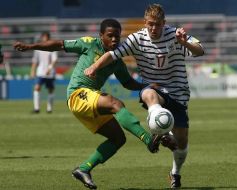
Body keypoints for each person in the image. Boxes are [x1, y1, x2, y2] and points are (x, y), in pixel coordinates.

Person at [14, 19, 160, 189]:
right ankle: (148, 139)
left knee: (118, 139)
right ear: (101, 36)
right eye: (110, 36)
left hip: (89, 101)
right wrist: (31, 47)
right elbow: (59, 44)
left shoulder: (117, 60)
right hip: (78, 93)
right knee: (115, 103)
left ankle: (83, 169)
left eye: (117, 37)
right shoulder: (89, 44)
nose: (114, 40)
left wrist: (147, 86)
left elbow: (127, 83)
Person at [84, 4, 205, 189]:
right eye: (150, 24)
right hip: (155, 88)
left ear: (164, 23)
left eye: (157, 24)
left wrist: (185, 43)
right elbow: (113, 54)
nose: (154, 28)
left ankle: (175, 173)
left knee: (181, 143)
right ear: (145, 23)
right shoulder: (137, 38)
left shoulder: (175, 35)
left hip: (178, 92)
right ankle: (159, 128)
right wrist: (94, 67)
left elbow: (200, 51)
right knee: (148, 93)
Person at [30, 32, 58, 113]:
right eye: (43, 37)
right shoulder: (38, 48)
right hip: (40, 72)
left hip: (50, 73)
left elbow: (54, 60)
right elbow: (35, 61)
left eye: (46, 37)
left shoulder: (52, 48)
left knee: (50, 90)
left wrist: (49, 68)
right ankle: (36, 108)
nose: (44, 38)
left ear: (48, 38)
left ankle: (49, 109)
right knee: (37, 87)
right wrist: (32, 71)